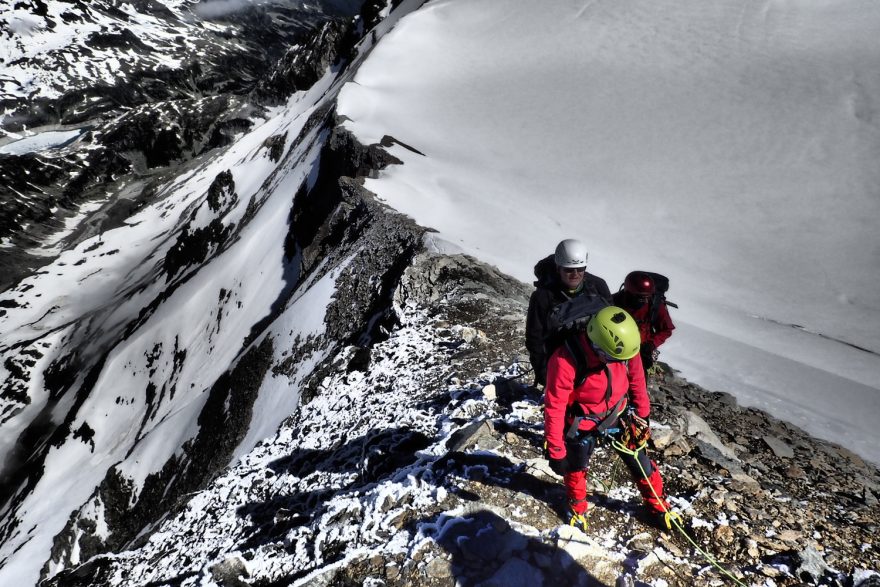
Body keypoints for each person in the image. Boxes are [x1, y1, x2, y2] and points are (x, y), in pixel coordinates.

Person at [543, 306, 679, 532]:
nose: (617, 362)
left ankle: (658, 506)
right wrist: (556, 450)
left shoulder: (624, 347)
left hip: (619, 413)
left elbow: (637, 379)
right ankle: (578, 509)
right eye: (611, 357)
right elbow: (555, 405)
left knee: (641, 464)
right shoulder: (565, 359)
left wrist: (642, 414)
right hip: (582, 422)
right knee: (576, 468)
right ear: (597, 344)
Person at [525, 239, 611, 387]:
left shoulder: (598, 286)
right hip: (561, 364)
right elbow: (535, 338)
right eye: (569, 270)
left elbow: (611, 321)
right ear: (558, 268)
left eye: (580, 268)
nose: (575, 274)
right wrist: (544, 374)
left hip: (597, 361)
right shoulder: (543, 296)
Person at [611, 271, 675, 375]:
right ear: (629, 293)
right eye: (641, 298)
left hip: (641, 350)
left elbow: (667, 329)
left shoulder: (654, 305)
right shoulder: (613, 302)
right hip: (614, 349)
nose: (645, 301)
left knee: (638, 381)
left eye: (647, 297)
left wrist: (650, 345)